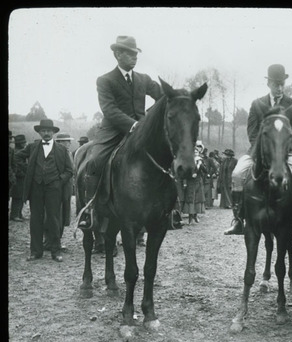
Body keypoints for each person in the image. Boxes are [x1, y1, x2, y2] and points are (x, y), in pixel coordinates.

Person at [77, 35, 163, 229]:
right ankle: (89, 210)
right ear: (118, 54)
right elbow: (109, 109)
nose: (135, 57)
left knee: (166, 157)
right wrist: (133, 125)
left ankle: (170, 209)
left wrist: (149, 120)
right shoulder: (105, 80)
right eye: (130, 53)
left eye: (136, 53)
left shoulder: (144, 79)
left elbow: (164, 97)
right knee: (94, 161)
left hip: (141, 132)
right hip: (113, 132)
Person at [224, 64, 292, 235]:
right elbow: (252, 131)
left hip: (286, 152)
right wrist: (263, 150)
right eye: (276, 84)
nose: (280, 87)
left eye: (282, 84)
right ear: (268, 83)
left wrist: (281, 150)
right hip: (259, 152)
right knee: (238, 173)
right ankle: (239, 220)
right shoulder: (257, 104)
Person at [14, 119, 73, 262]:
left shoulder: (62, 150)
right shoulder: (32, 147)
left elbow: (69, 170)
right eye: (43, 131)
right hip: (36, 187)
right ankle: (36, 252)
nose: (46, 133)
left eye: (49, 131)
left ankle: (56, 251)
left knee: (54, 219)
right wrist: (29, 171)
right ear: (39, 132)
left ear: (53, 132)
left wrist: (59, 181)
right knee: (35, 219)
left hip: (54, 188)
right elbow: (17, 157)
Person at [54, 133, 75, 241]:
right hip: (58, 189)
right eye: (67, 141)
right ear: (60, 142)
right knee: (55, 216)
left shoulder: (68, 153)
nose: (70, 143)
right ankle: (51, 241)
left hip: (66, 190)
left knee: (63, 216)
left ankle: (57, 239)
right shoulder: (56, 153)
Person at [181, 147, 207, 224]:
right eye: (194, 152)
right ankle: (190, 217)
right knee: (190, 199)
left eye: (197, 152)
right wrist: (190, 175)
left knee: (197, 199)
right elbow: (184, 172)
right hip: (190, 182)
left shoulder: (201, 160)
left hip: (198, 182)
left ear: (198, 153)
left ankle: (195, 215)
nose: (195, 154)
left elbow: (206, 171)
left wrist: (200, 165)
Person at [10, 134, 28, 221]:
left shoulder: (18, 151)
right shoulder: (17, 152)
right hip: (18, 178)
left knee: (20, 196)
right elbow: (16, 166)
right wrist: (22, 173)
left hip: (21, 177)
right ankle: (14, 215)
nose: (25, 144)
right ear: (20, 143)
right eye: (23, 142)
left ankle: (19, 214)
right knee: (17, 197)